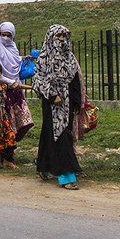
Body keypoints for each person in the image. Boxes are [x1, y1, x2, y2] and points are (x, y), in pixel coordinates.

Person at [32, 24, 82, 190]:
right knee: (59, 136)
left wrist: (76, 101)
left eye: (64, 36)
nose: (61, 39)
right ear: (51, 37)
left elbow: (75, 80)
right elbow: (38, 80)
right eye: (58, 36)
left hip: (68, 103)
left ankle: (44, 166)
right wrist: (53, 95)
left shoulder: (69, 57)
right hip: (52, 103)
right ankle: (66, 176)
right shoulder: (44, 58)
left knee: (53, 135)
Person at [0, 21, 34, 162]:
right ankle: (7, 156)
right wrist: (9, 82)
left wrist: (23, 59)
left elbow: (14, 63)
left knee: (25, 123)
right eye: (3, 35)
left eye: (9, 35)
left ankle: (9, 151)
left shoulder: (13, 48)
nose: (5, 38)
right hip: (3, 93)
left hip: (17, 92)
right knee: (9, 126)